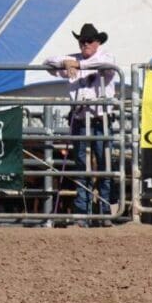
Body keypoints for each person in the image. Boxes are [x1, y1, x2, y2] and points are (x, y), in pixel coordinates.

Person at [43, 23, 117, 225]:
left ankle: (104, 212)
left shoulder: (105, 56)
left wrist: (75, 65)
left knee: (104, 165)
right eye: (82, 41)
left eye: (89, 41)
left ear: (97, 42)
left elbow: (103, 65)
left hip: (100, 118)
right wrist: (67, 62)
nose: (85, 44)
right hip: (80, 118)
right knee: (82, 166)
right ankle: (83, 214)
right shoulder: (73, 59)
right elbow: (48, 62)